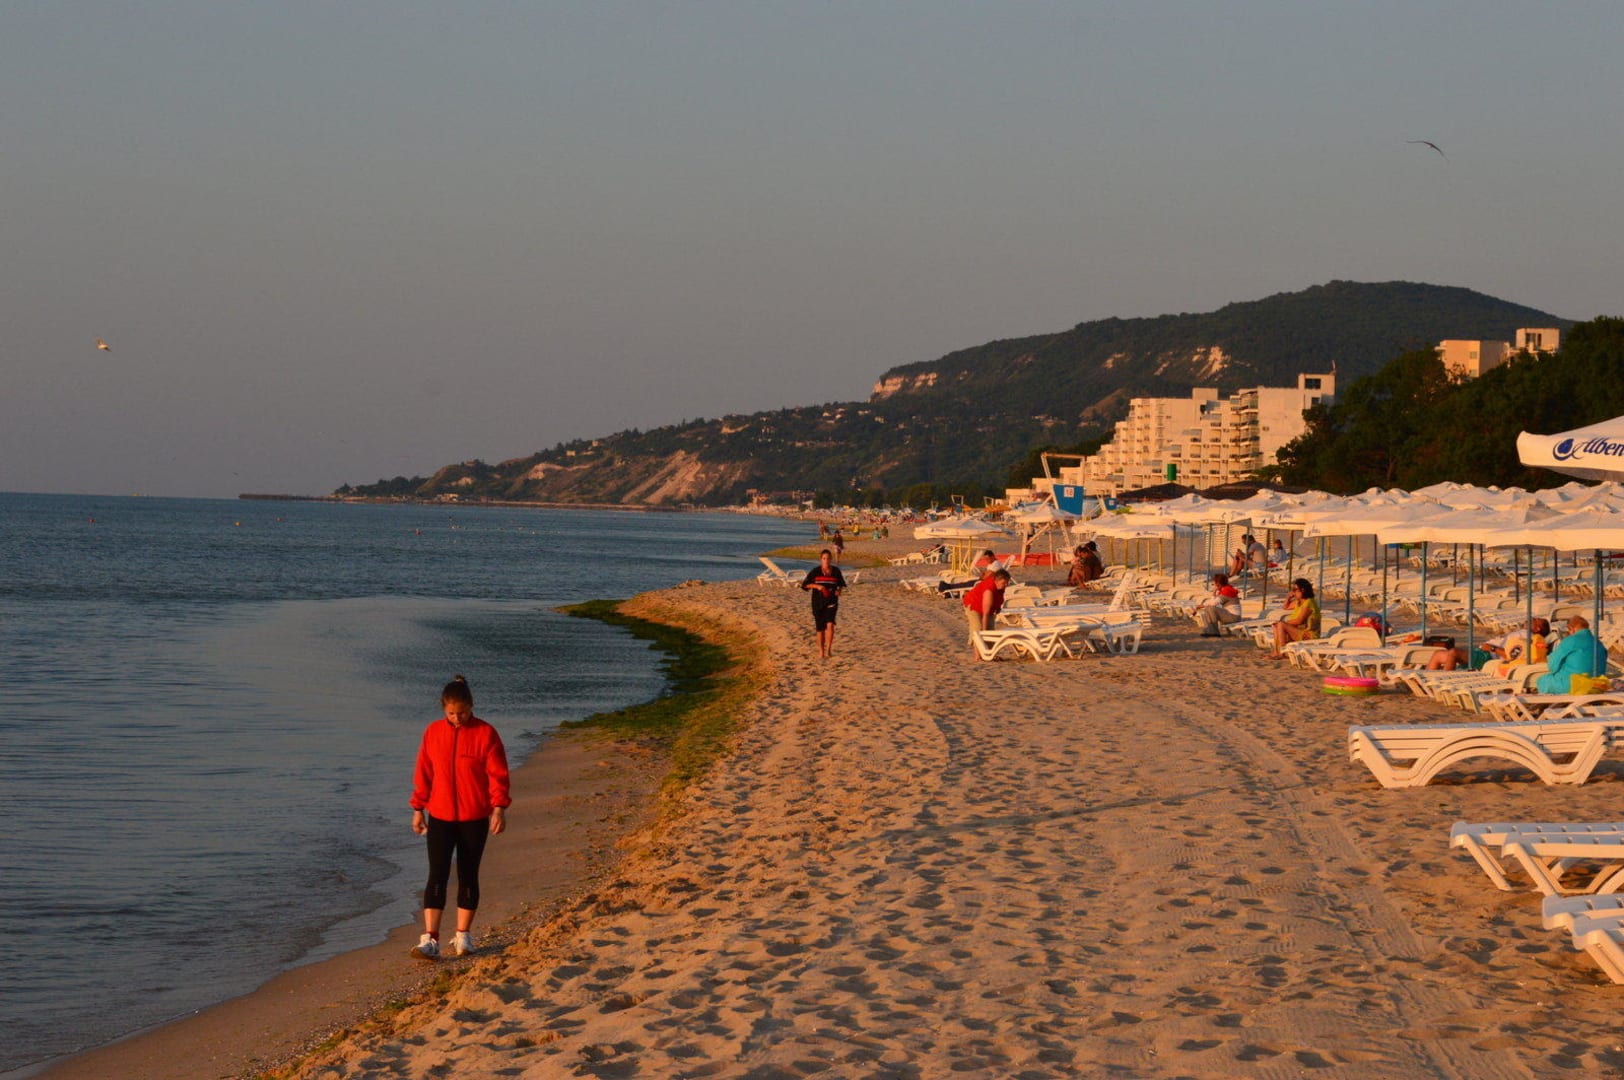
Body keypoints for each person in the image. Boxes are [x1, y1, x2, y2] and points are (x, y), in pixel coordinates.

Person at [409, 675, 510, 960]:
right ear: (444, 708)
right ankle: (430, 939)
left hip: (474, 817)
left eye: (462, 713)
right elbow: (424, 772)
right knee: (437, 874)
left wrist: (499, 808)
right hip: (439, 816)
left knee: (468, 874)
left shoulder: (486, 734)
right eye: (452, 713)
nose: (457, 718)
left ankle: (463, 937)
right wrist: (418, 808)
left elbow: (498, 775)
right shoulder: (433, 732)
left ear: (471, 706)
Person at [1535, 616, 1608, 694]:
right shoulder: (1599, 643)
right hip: (1596, 685)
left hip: (1574, 685)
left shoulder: (1570, 640)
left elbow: (1552, 665)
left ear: (1572, 629)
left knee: (1542, 680)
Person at [800, 549, 848, 659]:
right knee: (820, 629)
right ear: (821, 559)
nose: (826, 560)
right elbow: (805, 585)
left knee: (830, 625)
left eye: (828, 558)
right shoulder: (815, 571)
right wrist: (818, 586)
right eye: (824, 558)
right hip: (818, 602)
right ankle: (821, 652)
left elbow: (840, 584)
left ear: (831, 559)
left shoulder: (836, 571)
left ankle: (829, 650)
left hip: (832, 601)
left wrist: (839, 590)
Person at [1268, 578, 1320, 659]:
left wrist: (1284, 624)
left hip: (1308, 635)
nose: (1293, 592)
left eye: (1295, 590)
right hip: (1300, 631)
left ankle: (1281, 652)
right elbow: (1286, 607)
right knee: (1276, 625)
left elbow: (1299, 621)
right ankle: (1276, 651)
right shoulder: (1299, 602)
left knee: (1280, 624)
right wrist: (1288, 598)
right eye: (1293, 590)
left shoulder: (1309, 602)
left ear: (1302, 590)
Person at [963, 568, 1012, 650]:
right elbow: (985, 614)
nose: (1006, 585)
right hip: (973, 604)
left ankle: (989, 652)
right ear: (996, 581)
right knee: (978, 629)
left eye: (1007, 582)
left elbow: (998, 597)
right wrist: (984, 634)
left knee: (991, 631)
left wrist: (997, 607)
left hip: (988, 606)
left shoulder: (1000, 585)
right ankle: (978, 655)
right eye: (1004, 583)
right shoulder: (989, 591)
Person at [1195, 572, 1242, 637]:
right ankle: (1208, 631)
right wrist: (1214, 593)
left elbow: (1214, 603)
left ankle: (1214, 632)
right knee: (1208, 608)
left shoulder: (1227, 591)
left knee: (1211, 609)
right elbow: (1214, 601)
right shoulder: (1223, 590)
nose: (1213, 585)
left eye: (1214, 583)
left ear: (1218, 584)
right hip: (1229, 614)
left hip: (1233, 617)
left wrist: (1202, 605)